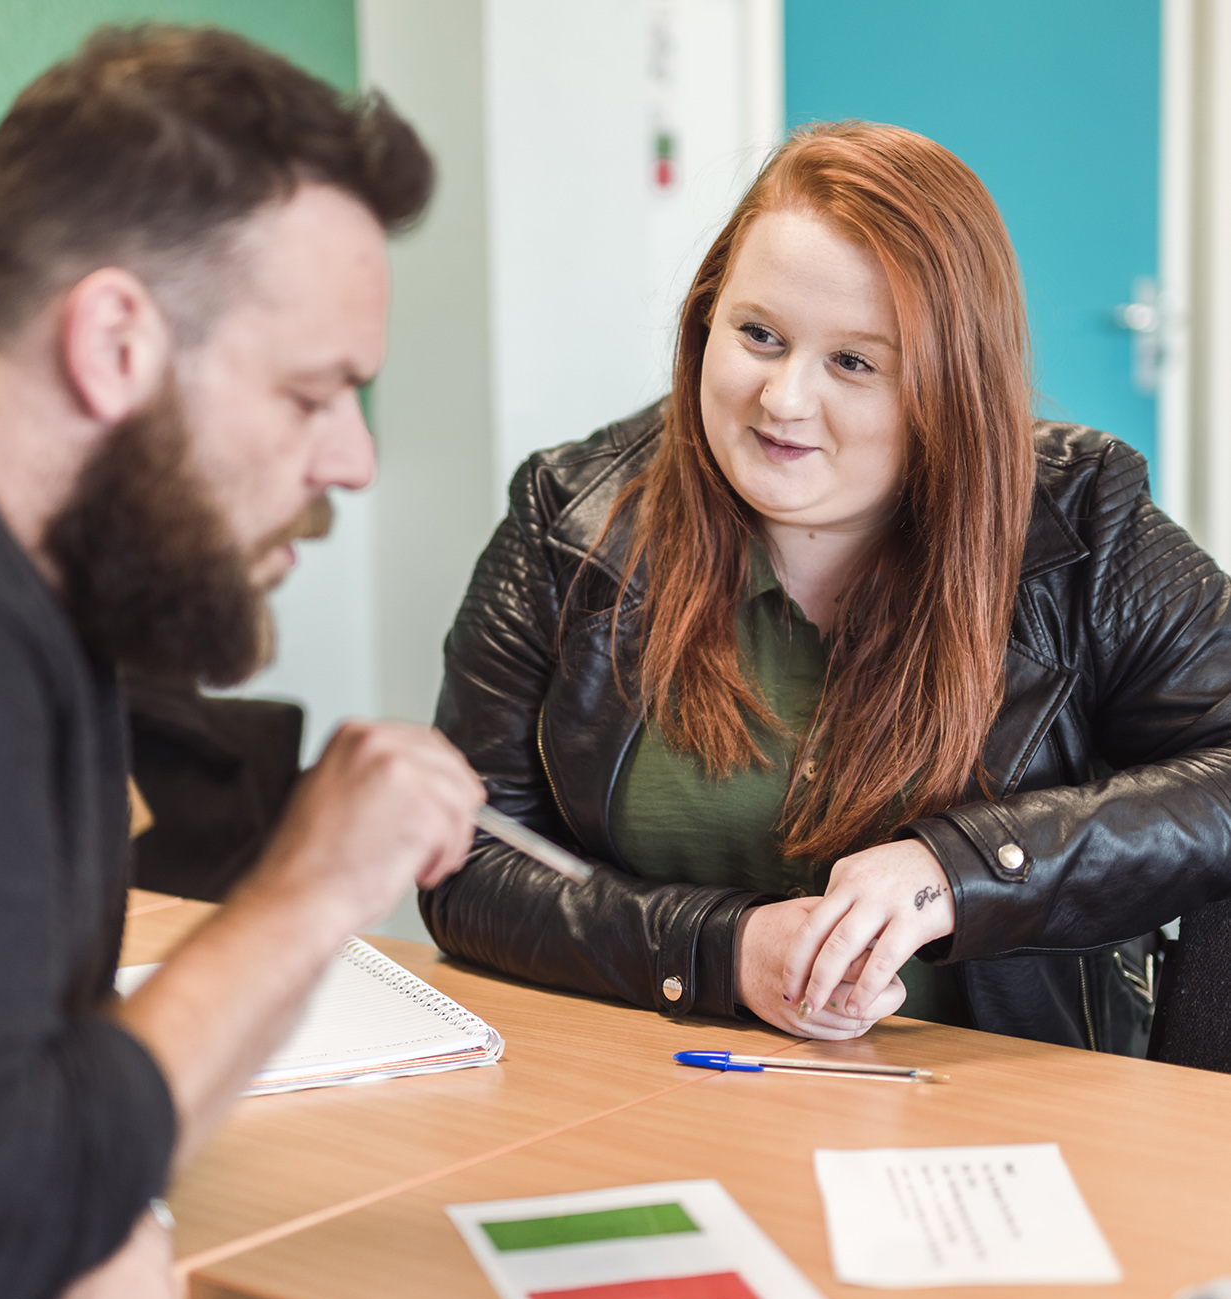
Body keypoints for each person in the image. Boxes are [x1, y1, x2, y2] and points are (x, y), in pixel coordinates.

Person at [0, 26, 485, 1299]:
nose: (354, 461)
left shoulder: (10, 581)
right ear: (113, 342)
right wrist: (314, 884)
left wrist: (114, 1227)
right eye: (312, 394)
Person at [423, 120, 1231, 1056]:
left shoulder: (1083, 523)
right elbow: (470, 859)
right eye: (759, 335)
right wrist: (720, 949)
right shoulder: (568, 514)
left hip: (1000, 1108)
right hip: (655, 1087)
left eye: (854, 362)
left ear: (950, 386)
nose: (785, 401)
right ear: (704, 323)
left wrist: (961, 869)